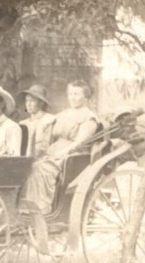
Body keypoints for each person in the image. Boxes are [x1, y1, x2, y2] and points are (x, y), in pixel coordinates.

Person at [21, 80, 100, 215]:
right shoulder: (63, 114)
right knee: (27, 164)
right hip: (54, 149)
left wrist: (63, 152)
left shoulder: (89, 118)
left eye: (76, 94)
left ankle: (42, 206)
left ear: (86, 96)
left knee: (39, 168)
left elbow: (79, 142)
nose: (72, 98)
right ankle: (24, 206)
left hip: (72, 153)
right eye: (70, 94)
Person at [18, 84, 55, 157]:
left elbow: (47, 145)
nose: (28, 104)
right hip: (22, 158)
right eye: (27, 101)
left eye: (32, 101)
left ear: (41, 103)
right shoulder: (23, 123)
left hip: (41, 158)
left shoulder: (48, 120)